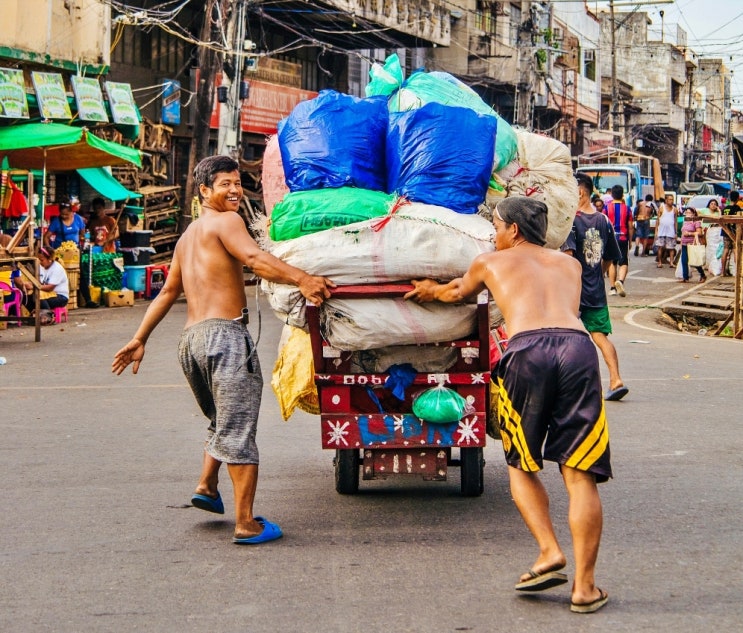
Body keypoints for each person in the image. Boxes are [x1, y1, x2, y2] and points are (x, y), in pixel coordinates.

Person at [112, 155, 335, 545]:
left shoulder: (186, 238)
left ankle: (206, 486)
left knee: (222, 418)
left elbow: (168, 292)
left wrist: (140, 337)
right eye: (225, 184)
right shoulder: (227, 222)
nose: (235, 190)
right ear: (204, 191)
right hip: (224, 338)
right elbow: (253, 258)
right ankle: (246, 523)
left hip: (191, 343)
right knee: (239, 428)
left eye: (237, 183)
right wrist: (303, 278)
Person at [404, 196, 611, 614]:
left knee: (521, 464)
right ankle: (585, 588)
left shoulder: (490, 262)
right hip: (577, 349)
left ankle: (550, 551)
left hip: (529, 351)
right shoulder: (568, 263)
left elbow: (457, 293)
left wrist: (428, 289)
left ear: (513, 230)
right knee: (579, 473)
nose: (494, 234)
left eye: (497, 226)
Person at [564, 173, 628, 402]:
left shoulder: (571, 220)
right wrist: (597, 274)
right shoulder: (603, 220)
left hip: (573, 292)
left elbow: (569, 257)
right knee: (600, 337)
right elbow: (611, 256)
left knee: (565, 338)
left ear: (580, 192)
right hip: (596, 291)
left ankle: (571, 388)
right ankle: (615, 379)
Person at [15, 246, 69, 317]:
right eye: (39, 260)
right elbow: (41, 283)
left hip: (61, 297)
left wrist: (35, 286)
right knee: (24, 296)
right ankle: (35, 314)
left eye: (42, 260)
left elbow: (50, 288)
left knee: (39, 297)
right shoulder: (42, 267)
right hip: (47, 294)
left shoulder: (57, 268)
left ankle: (48, 316)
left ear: (49, 259)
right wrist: (30, 284)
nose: (40, 262)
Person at [603, 185, 633, 297]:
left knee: (611, 262)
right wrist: (630, 240)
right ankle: (620, 281)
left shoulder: (606, 208)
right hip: (623, 238)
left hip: (610, 238)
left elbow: (604, 224)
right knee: (624, 262)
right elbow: (630, 226)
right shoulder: (627, 208)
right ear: (622, 195)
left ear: (612, 195)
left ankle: (612, 288)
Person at [679, 207, 706, 283]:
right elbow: (682, 233)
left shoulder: (696, 222)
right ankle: (685, 277)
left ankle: (703, 275)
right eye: (686, 213)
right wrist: (681, 242)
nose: (687, 214)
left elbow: (700, 233)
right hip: (684, 243)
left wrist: (689, 233)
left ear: (693, 214)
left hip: (692, 244)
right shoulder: (685, 221)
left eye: (689, 213)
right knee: (684, 261)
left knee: (694, 261)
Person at [720, 190, 742, 277]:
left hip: (725, 232)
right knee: (736, 250)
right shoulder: (737, 208)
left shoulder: (725, 208)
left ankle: (723, 272)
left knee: (725, 250)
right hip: (735, 232)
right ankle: (738, 272)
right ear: (737, 199)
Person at [655, 194, 677, 269]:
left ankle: (671, 262)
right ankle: (659, 262)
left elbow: (675, 221)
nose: (671, 201)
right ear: (666, 200)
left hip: (670, 231)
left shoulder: (674, 209)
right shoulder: (662, 208)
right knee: (660, 247)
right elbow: (657, 220)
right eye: (670, 199)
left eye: (672, 199)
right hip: (661, 231)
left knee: (671, 248)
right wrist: (656, 231)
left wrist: (676, 232)